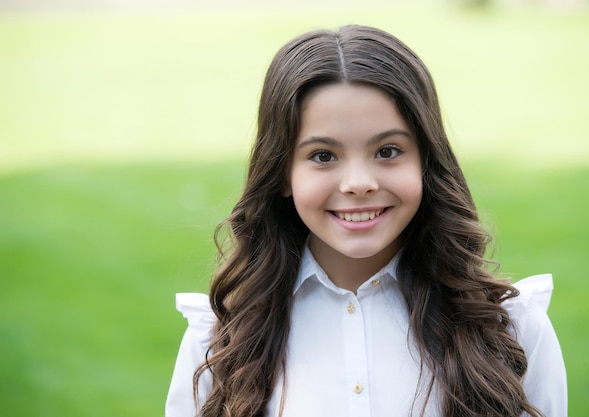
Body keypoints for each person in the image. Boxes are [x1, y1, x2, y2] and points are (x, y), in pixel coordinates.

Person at [165, 25, 567, 417]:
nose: (359, 183)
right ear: (283, 173)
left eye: (388, 150)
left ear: (426, 162)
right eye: (323, 156)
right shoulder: (220, 341)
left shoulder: (510, 330)